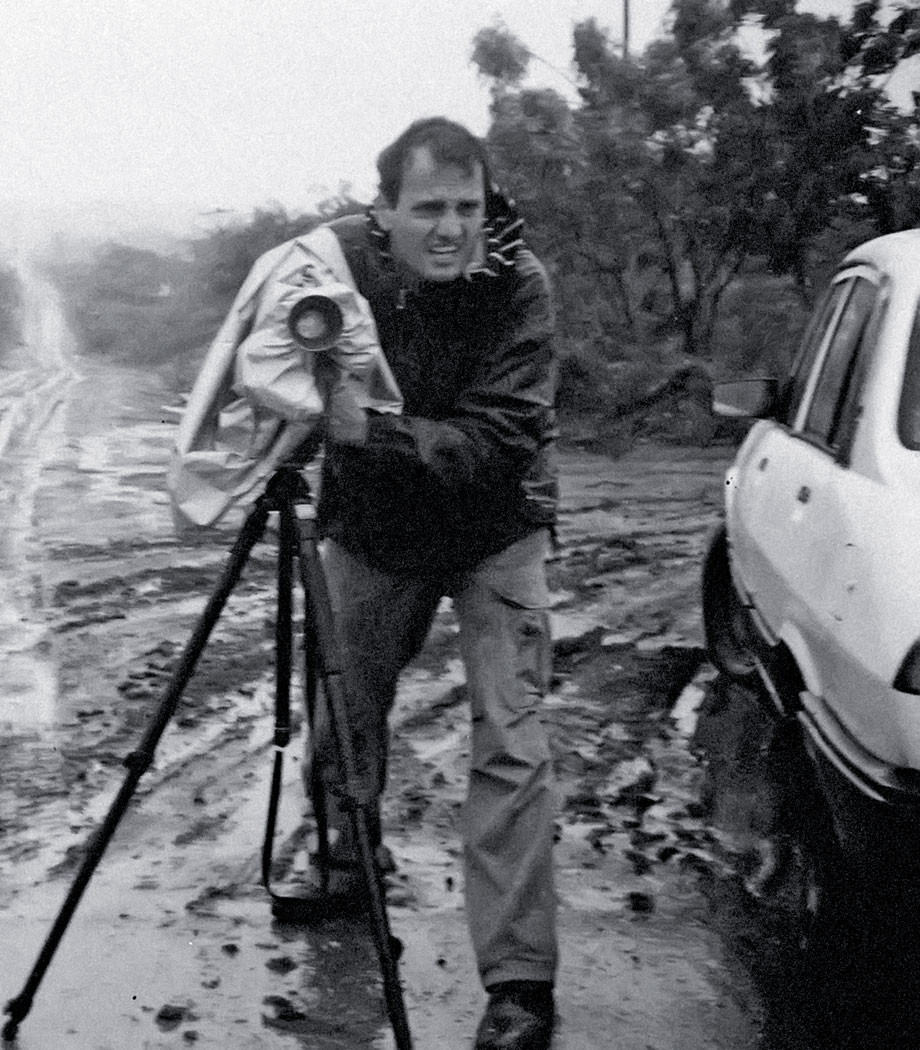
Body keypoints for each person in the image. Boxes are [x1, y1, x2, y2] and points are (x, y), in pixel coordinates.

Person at [307, 117, 560, 1050]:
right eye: (429, 209)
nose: (453, 228)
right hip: (376, 525)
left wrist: (364, 431)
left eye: (469, 206)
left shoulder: (522, 288)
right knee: (344, 703)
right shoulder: (335, 269)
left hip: (496, 521)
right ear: (385, 213)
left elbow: (500, 439)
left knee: (512, 737)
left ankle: (520, 981)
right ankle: (343, 860)